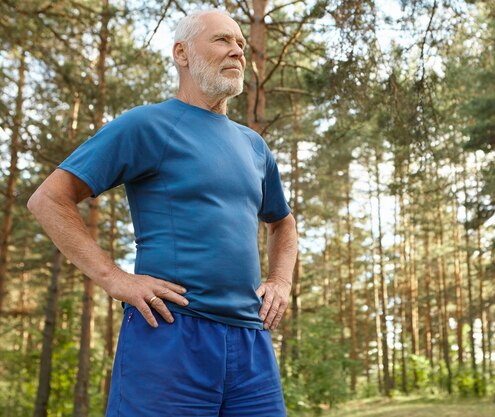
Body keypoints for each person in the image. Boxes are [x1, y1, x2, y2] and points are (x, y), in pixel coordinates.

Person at [27, 8, 297, 417]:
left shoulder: (254, 145)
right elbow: (48, 199)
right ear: (182, 54)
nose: (238, 51)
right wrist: (115, 279)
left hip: (251, 343)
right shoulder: (146, 125)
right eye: (223, 40)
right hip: (169, 336)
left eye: (241, 43)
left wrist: (279, 280)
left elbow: (282, 222)